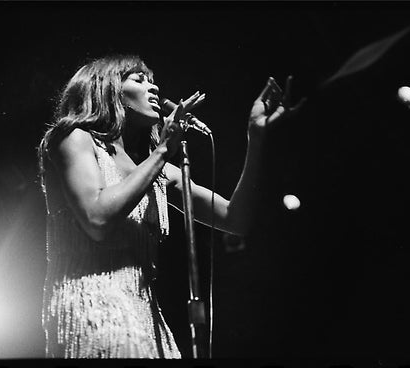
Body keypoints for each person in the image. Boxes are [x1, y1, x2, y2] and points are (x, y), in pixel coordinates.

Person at [37, 54, 297, 358]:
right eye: (139, 79)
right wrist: (162, 151)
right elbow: (97, 219)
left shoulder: (157, 169)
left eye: (153, 80)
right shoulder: (75, 138)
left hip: (146, 314)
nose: (155, 88)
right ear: (107, 89)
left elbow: (234, 218)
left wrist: (257, 135)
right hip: (93, 302)